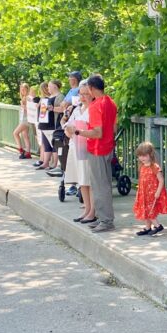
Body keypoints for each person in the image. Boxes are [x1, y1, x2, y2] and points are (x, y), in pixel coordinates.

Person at [74, 75, 117, 233]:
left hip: (97, 149)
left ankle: (106, 220)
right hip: (108, 147)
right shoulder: (111, 102)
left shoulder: (95, 106)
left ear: (91, 89)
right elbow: (113, 128)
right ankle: (103, 217)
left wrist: (77, 131)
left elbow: (97, 132)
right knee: (104, 184)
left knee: (99, 186)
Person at [64, 80, 95, 224]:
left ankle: (92, 211)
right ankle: (86, 209)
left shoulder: (94, 109)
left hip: (88, 147)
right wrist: (69, 131)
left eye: (86, 94)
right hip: (75, 145)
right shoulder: (77, 109)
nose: (83, 97)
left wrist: (78, 131)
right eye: (81, 94)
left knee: (89, 179)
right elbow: (67, 125)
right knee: (82, 180)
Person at [133, 141, 167, 236]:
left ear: (150, 155)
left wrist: (158, 192)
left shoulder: (155, 167)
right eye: (140, 156)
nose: (142, 158)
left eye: (144, 155)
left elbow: (161, 180)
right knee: (145, 210)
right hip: (144, 193)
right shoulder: (142, 166)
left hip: (152, 194)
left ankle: (158, 226)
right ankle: (147, 227)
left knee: (150, 211)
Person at [63, 71, 82, 195]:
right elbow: (66, 121)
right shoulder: (75, 109)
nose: (69, 79)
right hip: (74, 140)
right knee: (72, 162)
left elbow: (64, 103)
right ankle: (74, 185)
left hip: (83, 142)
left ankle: (79, 186)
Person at [45, 80, 66, 177]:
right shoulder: (49, 97)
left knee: (58, 144)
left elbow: (62, 109)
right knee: (53, 144)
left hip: (57, 124)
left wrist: (52, 108)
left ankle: (58, 165)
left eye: (49, 86)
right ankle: (55, 164)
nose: (48, 88)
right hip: (51, 123)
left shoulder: (60, 96)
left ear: (55, 87)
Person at [35, 82, 56, 170]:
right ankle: (45, 162)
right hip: (43, 124)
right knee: (46, 144)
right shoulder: (43, 99)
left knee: (53, 144)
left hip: (49, 124)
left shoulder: (49, 99)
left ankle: (54, 164)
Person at [13, 83, 32, 159]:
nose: (22, 91)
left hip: (26, 119)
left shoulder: (28, 98)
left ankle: (21, 150)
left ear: (27, 89)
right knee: (25, 136)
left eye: (24, 89)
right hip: (23, 119)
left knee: (15, 133)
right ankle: (28, 153)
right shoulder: (24, 97)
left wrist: (23, 106)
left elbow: (30, 110)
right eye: (21, 89)